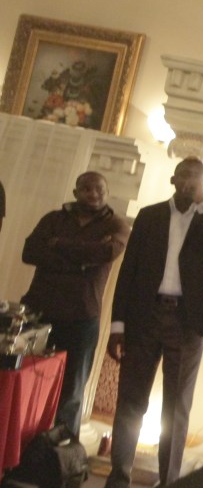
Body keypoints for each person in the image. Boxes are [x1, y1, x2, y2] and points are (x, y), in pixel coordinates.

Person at [85, 157, 203, 488]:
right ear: (173, 179)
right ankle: (117, 482)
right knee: (130, 401)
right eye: (184, 176)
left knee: (176, 408)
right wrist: (117, 326)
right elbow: (128, 271)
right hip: (144, 317)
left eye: (196, 179)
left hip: (187, 324)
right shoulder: (150, 216)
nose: (189, 183)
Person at [21, 171, 130, 437]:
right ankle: (22, 445)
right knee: (28, 380)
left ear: (107, 192)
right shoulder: (53, 218)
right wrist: (80, 262)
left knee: (71, 391)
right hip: (39, 312)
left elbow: (107, 252)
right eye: (86, 189)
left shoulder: (116, 224)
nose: (93, 194)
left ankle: (61, 452)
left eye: (99, 189)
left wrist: (58, 244)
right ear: (75, 192)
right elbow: (30, 251)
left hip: (81, 317)